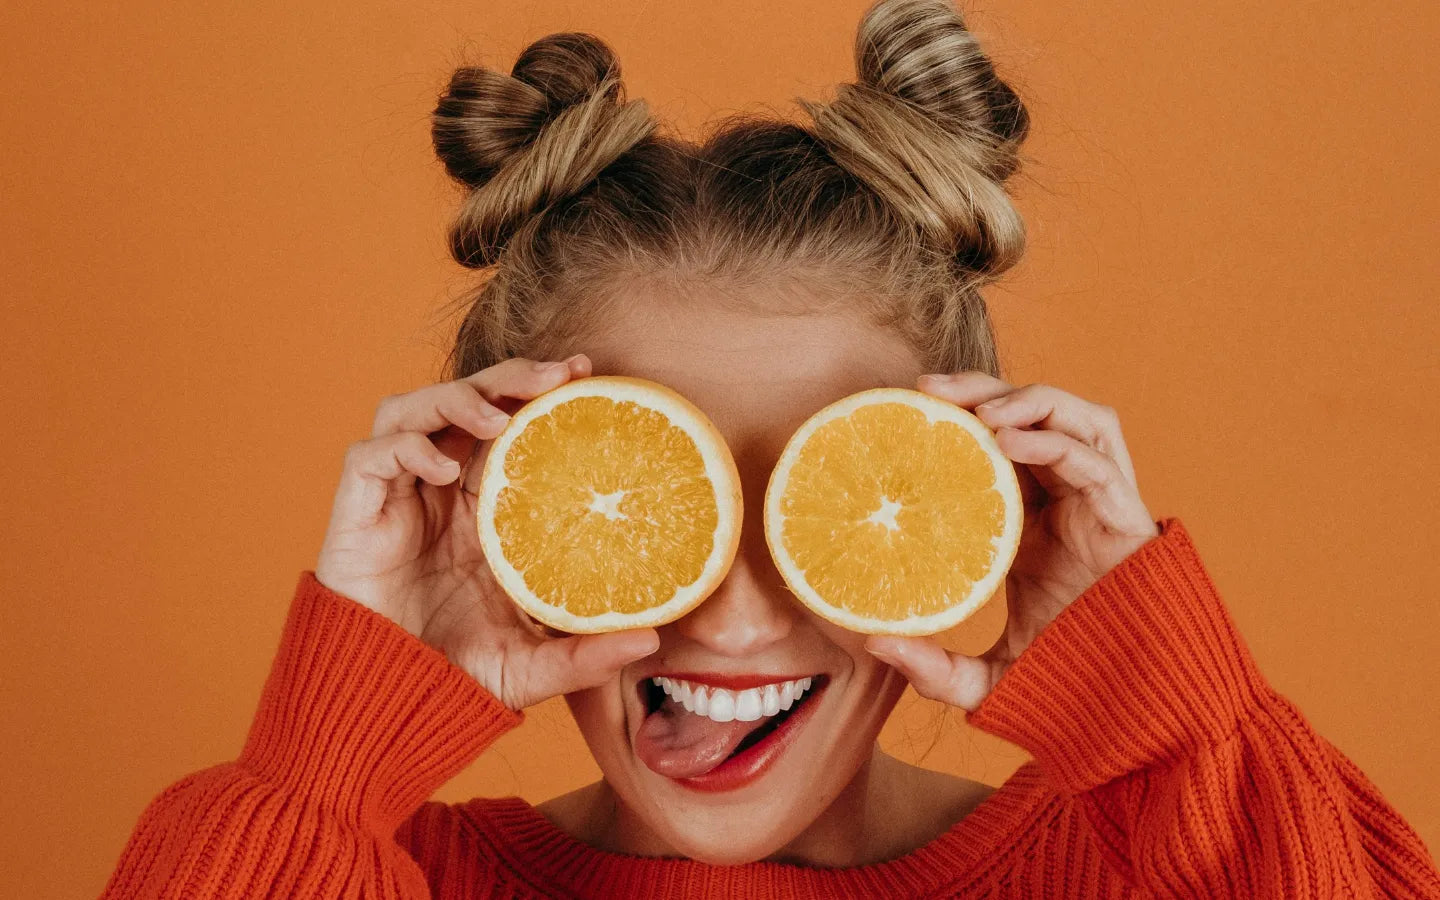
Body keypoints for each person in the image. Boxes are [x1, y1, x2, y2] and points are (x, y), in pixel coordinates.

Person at [101, 1, 1440, 896]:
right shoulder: (362, 867)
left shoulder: (1141, 874)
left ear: (971, 497)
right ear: (495, 508)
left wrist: (1171, 721)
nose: (738, 624)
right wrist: (325, 756)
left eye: (823, 498)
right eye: (646, 503)